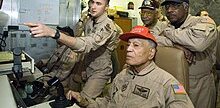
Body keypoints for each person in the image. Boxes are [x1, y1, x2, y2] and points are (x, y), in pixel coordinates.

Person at [24, 0, 122, 102]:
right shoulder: (90, 21)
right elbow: (74, 35)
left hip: (99, 70)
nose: (93, 7)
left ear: (106, 7)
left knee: (84, 100)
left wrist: (53, 33)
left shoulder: (108, 25)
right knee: (88, 98)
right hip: (86, 66)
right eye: (92, 2)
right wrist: (81, 20)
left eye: (98, 4)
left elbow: (87, 45)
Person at [66, 26, 194, 108]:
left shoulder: (167, 83)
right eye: (128, 45)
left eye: (136, 45)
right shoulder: (122, 75)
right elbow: (108, 102)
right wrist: (85, 101)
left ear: (151, 53)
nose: (128, 49)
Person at [152, 0, 218, 108]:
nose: (169, 10)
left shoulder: (202, 22)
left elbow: (198, 43)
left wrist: (168, 34)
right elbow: (150, 41)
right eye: (167, 7)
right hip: (172, 82)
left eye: (175, 6)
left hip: (199, 85)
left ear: (186, 7)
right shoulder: (164, 25)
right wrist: (176, 45)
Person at [35, 26, 77, 93]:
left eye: (60, 34)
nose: (57, 36)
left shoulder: (69, 54)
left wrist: (42, 80)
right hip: (50, 75)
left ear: (66, 37)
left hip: (57, 85)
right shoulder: (61, 48)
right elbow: (54, 60)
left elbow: (59, 75)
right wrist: (42, 62)